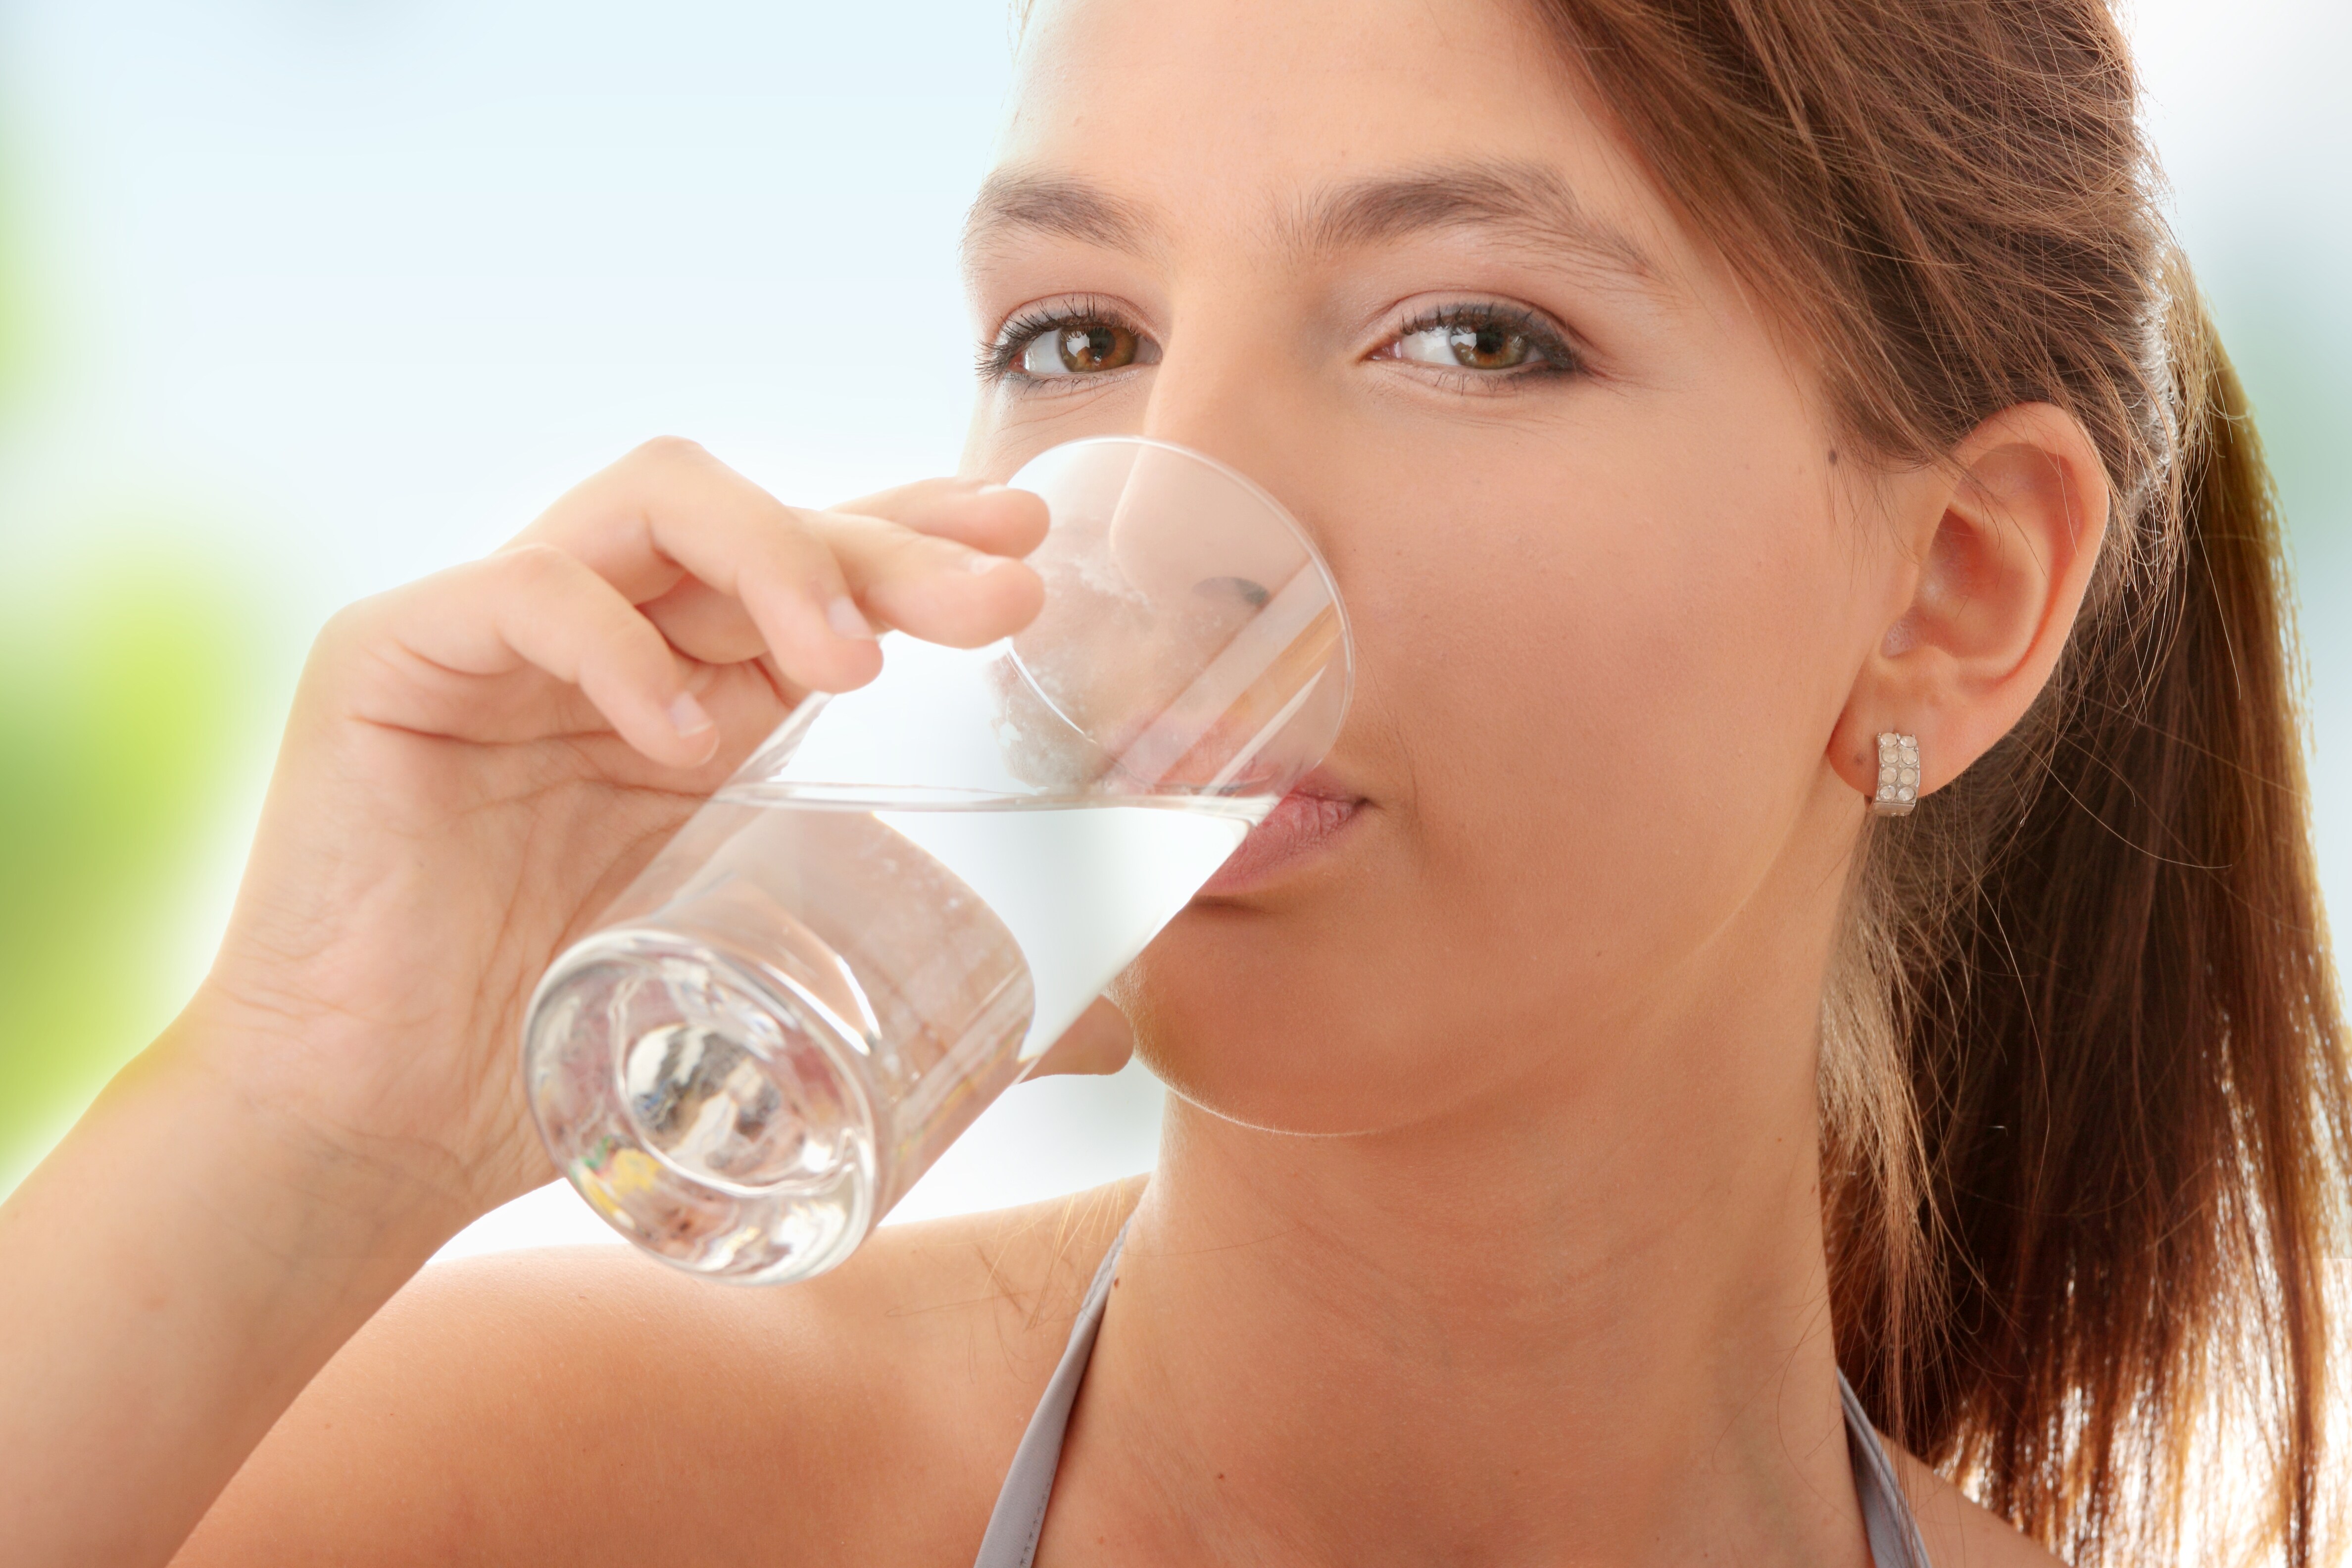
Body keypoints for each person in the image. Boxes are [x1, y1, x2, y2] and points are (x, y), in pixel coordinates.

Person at [2, 0, 2343, 1562]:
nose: (1171, 512)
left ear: (1951, 588)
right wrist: (295, 1133)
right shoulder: (561, 1493)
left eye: (1472, 334)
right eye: (1078, 336)